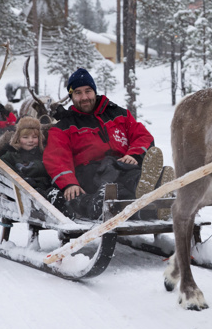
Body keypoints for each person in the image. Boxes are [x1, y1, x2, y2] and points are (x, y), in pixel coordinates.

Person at [43, 68, 169, 220]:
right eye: (78, 92)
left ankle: (151, 185)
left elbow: (142, 135)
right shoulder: (63, 126)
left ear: (94, 91)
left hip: (122, 166)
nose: (84, 97)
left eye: (88, 91)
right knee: (115, 191)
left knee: (130, 175)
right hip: (89, 175)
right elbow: (56, 158)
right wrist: (69, 183)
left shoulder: (118, 114)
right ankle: (155, 197)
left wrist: (134, 154)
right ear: (71, 96)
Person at [0, 117, 51, 196]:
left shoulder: (44, 153)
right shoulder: (11, 155)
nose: (30, 140)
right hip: (25, 192)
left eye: (34, 137)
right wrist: (23, 180)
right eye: (25, 137)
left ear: (39, 138)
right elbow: (5, 170)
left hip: (47, 189)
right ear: (18, 138)